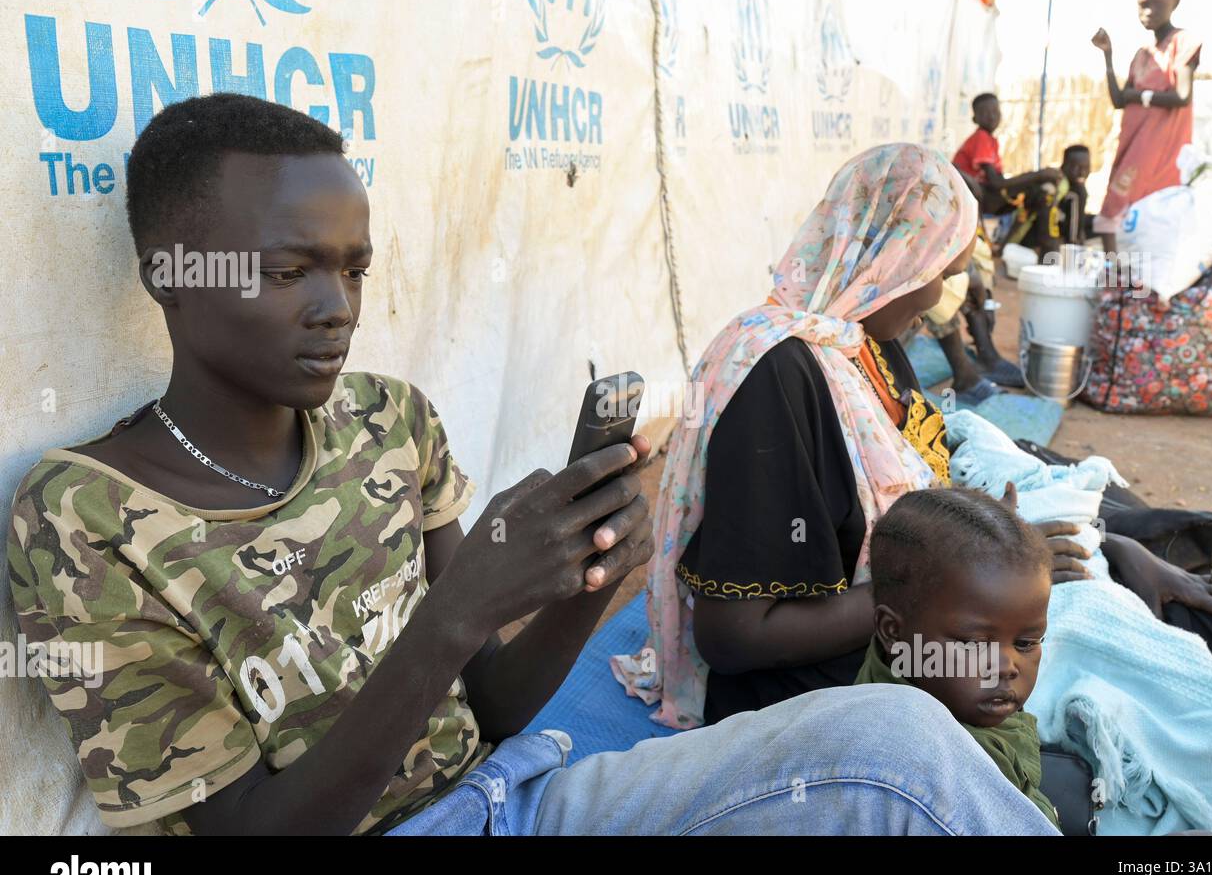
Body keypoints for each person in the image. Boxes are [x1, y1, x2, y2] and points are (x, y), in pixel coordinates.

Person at [6, 94, 1060, 837]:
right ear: (170, 273)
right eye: (289, 271)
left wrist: (579, 581)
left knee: (895, 734)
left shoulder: (388, 422)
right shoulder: (85, 519)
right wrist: (455, 614)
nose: (335, 307)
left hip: (515, 796)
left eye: (354, 269)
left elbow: (494, 711)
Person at [613, 142, 1212, 836]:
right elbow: (733, 637)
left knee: (1200, 620)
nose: (941, 294)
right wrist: (947, 582)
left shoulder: (861, 346)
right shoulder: (776, 376)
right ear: (891, 256)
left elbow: (926, 493)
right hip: (843, 678)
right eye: (938, 269)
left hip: (940, 613)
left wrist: (1094, 548)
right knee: (1190, 675)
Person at [854, 486, 1058, 828]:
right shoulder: (942, 773)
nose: (1006, 668)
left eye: (1026, 643)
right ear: (892, 631)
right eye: (975, 644)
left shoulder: (924, 674)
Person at [1091, 0, 1201, 253]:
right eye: (1142, 4)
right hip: (1133, 140)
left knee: (1129, 210)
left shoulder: (1183, 42)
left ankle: (1127, 282)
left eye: (1157, 4)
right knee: (1117, 214)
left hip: (1159, 144)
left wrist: (1140, 96)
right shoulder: (1142, 54)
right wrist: (1107, 55)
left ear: (1175, 3)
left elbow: (1181, 96)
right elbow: (1119, 100)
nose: (1148, 11)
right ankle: (1116, 278)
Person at [952, 93, 1062, 218]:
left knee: (1038, 187)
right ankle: (1030, 235)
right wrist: (1038, 175)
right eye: (985, 113)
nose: (992, 116)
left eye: (995, 111)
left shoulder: (989, 140)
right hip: (976, 196)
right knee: (1039, 190)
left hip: (983, 194)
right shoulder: (981, 137)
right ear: (975, 119)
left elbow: (999, 180)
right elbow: (996, 183)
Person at [1007, 144, 1094, 259]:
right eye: (1076, 167)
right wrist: (1073, 247)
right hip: (1034, 241)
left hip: (1028, 237)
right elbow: (1072, 233)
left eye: (1086, 167)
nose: (1082, 172)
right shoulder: (1070, 191)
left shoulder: (1061, 182)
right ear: (1064, 165)